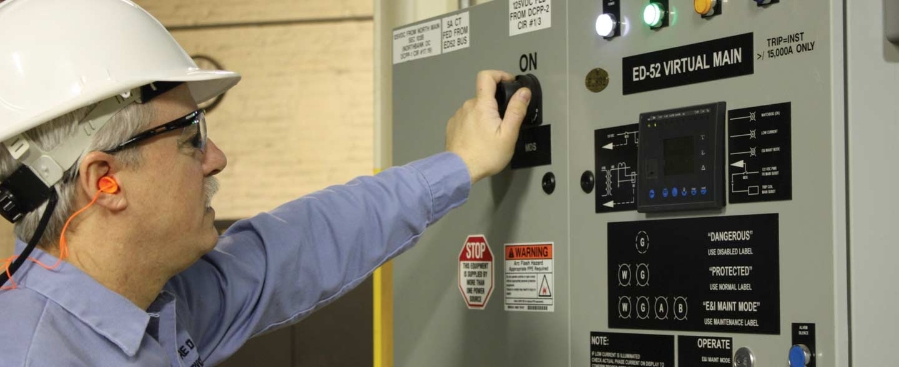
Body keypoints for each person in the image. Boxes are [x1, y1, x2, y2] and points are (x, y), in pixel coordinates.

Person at [0, 0, 531, 365]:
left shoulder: (152, 302)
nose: (217, 159)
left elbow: (303, 243)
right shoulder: (38, 352)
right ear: (105, 179)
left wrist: (460, 163)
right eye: (190, 136)